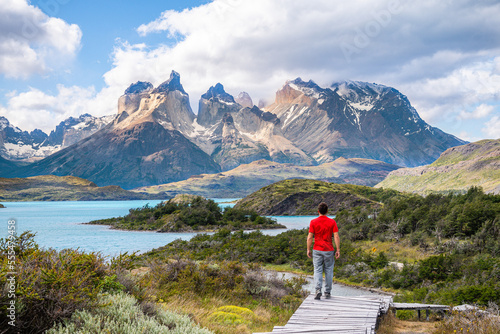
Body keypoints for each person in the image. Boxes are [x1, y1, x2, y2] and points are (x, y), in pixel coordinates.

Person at [307, 202, 340, 300]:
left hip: (317, 249)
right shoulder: (332, 222)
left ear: (318, 211)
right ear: (327, 211)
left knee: (317, 270)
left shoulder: (313, 222)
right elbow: (336, 236)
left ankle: (318, 290)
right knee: (329, 271)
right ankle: (327, 292)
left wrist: (308, 249)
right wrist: (338, 249)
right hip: (329, 250)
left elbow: (310, 237)